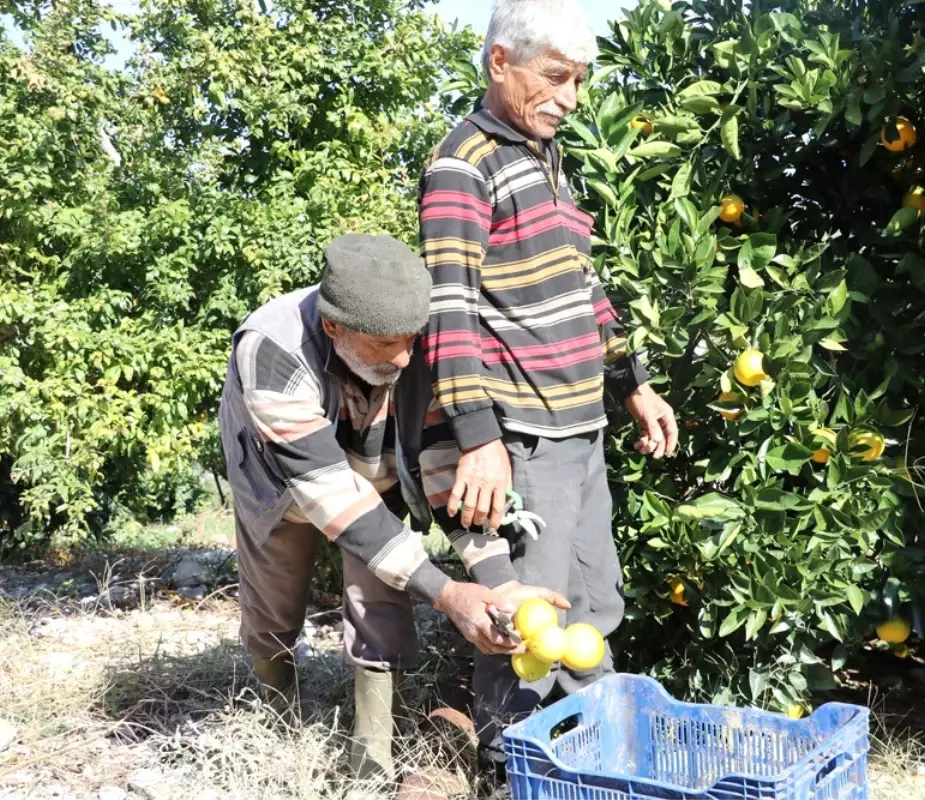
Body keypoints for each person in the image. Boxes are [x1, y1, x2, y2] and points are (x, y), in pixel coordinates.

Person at [416, 0, 679, 780]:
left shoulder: (541, 152)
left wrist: (633, 381)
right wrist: (478, 438)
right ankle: (512, 771)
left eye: (579, 80)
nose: (570, 96)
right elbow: (448, 306)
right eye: (555, 76)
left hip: (579, 424)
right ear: (501, 62)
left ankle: (592, 769)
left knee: (593, 610)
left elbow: (581, 283)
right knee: (526, 623)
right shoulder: (463, 165)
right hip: (523, 434)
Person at [216, 233, 566, 784]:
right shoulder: (273, 349)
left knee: (380, 602)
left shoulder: (416, 340)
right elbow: (331, 496)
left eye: (412, 341)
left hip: (373, 473)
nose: (404, 358)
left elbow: (445, 462)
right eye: (386, 346)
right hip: (283, 484)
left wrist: (497, 580)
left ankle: (371, 762)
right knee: (273, 615)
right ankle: (279, 717)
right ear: (334, 328)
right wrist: (448, 595)